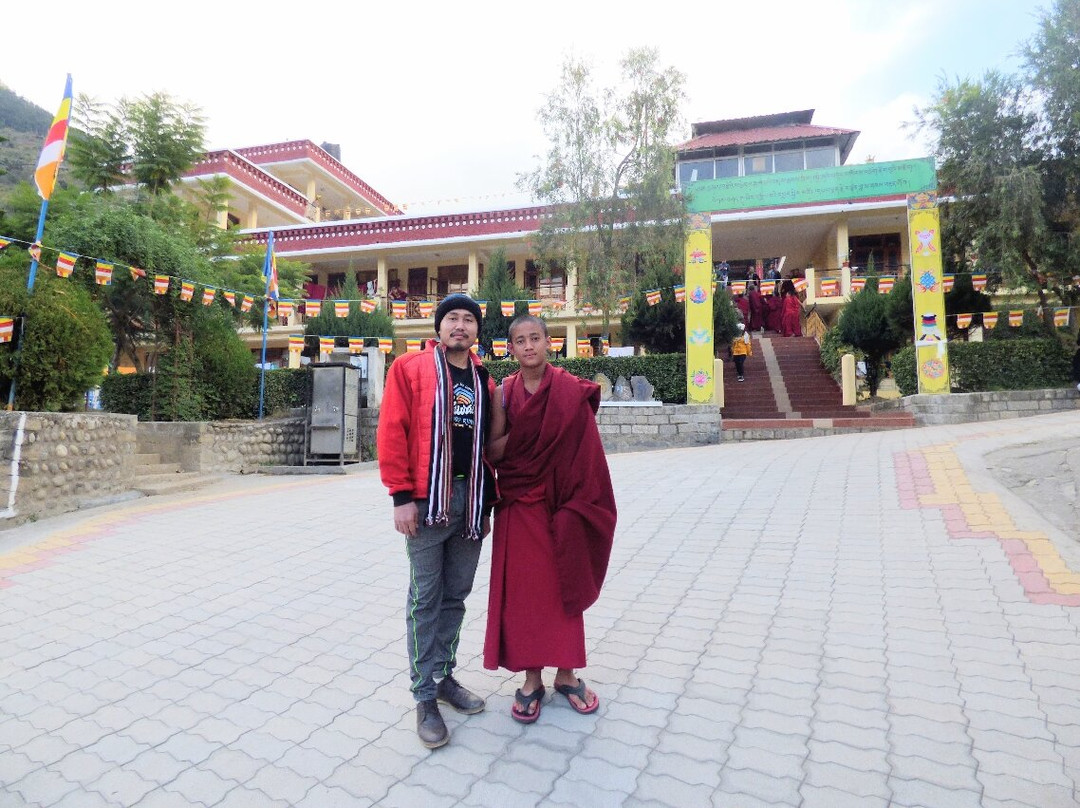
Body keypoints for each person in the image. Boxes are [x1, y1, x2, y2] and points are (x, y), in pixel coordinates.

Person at [483, 315, 617, 724]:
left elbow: (586, 454)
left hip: (562, 506)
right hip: (519, 506)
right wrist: (525, 436)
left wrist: (579, 505)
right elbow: (493, 451)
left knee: (563, 588)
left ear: (548, 342)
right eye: (520, 341)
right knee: (525, 595)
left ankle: (566, 673)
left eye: (535, 338)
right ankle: (531, 678)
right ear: (510, 348)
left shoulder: (568, 390)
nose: (528, 347)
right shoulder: (503, 394)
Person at [376, 293, 495, 749]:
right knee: (425, 599)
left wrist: (485, 505)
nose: (460, 325)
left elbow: (489, 444)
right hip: (427, 501)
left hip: (471, 501)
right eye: (452, 318)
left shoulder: (484, 378)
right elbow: (392, 431)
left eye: (469, 319)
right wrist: (401, 497)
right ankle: (424, 696)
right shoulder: (410, 369)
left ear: (477, 330)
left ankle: (444, 677)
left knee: (455, 596)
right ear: (439, 327)